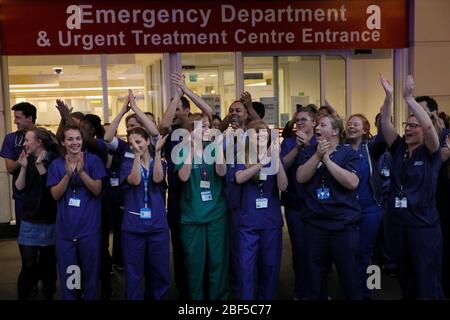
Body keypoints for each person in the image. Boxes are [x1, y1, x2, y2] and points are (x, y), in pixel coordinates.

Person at [380, 74, 443, 299]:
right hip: (400, 224)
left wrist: (408, 98)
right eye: (407, 125)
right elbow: (385, 123)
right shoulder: (399, 148)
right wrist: (388, 97)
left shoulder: (431, 152)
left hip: (423, 227)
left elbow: (427, 126)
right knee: (405, 278)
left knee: (426, 279)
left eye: (413, 126)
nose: (408, 129)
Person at [159, 72, 213, 299]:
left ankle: (205, 288)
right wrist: (176, 96)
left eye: (178, 109)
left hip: (202, 197)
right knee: (181, 249)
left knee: (204, 249)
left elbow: (210, 112)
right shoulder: (173, 135)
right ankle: (186, 292)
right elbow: (162, 124)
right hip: (179, 197)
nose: (174, 113)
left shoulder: (201, 132)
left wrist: (186, 90)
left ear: (189, 112)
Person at [297, 114, 361, 300]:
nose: (317, 128)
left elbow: (352, 182)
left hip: (343, 226)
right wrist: (317, 155)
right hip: (315, 225)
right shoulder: (309, 151)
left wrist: (327, 161)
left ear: (334, 131)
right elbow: (301, 177)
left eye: (322, 125)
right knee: (315, 276)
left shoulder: (348, 153)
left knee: (349, 276)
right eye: (317, 125)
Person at [47, 125, 106, 300]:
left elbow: (97, 190)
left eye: (77, 139)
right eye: (70, 139)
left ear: (82, 140)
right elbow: (55, 195)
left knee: (90, 275)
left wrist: (80, 172)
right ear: (63, 143)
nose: (74, 143)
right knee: (69, 275)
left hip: (89, 229)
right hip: (65, 231)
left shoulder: (93, 161)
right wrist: (67, 176)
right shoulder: (56, 165)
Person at [176, 113, 228, 300]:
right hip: (193, 215)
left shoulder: (213, 148)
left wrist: (219, 146)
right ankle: (196, 300)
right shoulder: (181, 150)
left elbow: (222, 172)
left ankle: (219, 298)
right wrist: (191, 146)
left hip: (216, 213)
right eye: (202, 127)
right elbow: (183, 176)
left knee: (218, 262)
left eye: (207, 126)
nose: (206, 130)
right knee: (195, 263)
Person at [234, 120, 288, 299]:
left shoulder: (274, 157)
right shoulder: (242, 155)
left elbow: (283, 185)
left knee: (270, 268)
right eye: (256, 133)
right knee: (245, 268)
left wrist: (276, 159)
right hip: (247, 223)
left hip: (270, 222)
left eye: (264, 134)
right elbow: (239, 178)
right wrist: (260, 163)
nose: (260, 137)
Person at [120, 127, 170, 299]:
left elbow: (157, 178)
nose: (135, 146)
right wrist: (136, 155)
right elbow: (135, 180)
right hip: (134, 227)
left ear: (148, 141)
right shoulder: (127, 163)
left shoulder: (160, 162)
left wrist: (156, 153)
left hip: (157, 225)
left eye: (138, 142)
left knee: (159, 271)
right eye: (131, 143)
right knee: (133, 272)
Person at [345, 113, 387, 299]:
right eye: (349, 124)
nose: (351, 127)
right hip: (346, 210)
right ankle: (353, 291)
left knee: (368, 252)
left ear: (365, 130)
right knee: (350, 253)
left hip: (370, 209)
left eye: (356, 124)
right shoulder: (340, 150)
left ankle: (368, 291)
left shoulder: (370, 149)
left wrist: (386, 106)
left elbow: (385, 136)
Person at [15, 127, 58, 300]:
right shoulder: (27, 159)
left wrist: (41, 168)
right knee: (28, 265)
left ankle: (48, 294)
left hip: (50, 220)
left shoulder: (54, 160)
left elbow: (52, 191)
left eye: (27, 140)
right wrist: (24, 168)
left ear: (39, 142)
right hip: (30, 221)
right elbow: (19, 187)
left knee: (48, 265)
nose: (24, 144)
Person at [281, 107, 317, 299]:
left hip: (318, 206)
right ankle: (301, 291)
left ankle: (317, 291)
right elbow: (283, 165)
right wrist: (297, 147)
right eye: (298, 120)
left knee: (318, 251)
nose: (300, 123)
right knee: (300, 250)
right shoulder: (287, 143)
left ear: (314, 123)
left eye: (304, 120)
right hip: (295, 204)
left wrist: (310, 146)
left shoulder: (321, 143)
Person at [0, 102, 37, 227]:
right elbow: (10, 168)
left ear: (30, 118)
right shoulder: (11, 139)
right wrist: (24, 156)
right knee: (24, 237)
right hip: (22, 196)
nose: (15, 121)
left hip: (43, 195)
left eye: (18, 118)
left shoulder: (45, 136)